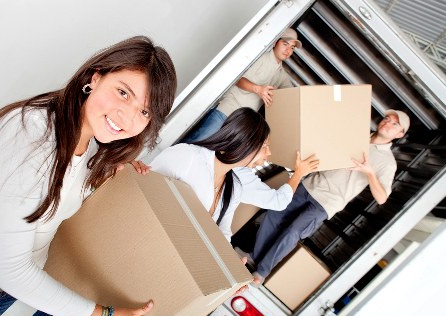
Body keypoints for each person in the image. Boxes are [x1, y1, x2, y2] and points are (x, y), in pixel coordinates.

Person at [0, 36, 177, 316]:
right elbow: (10, 270)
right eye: (123, 93)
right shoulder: (33, 138)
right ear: (95, 77)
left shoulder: (86, 143)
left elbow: (57, 194)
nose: (127, 116)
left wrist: (110, 174)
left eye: (144, 111)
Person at [237, 109, 411, 287]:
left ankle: (262, 271)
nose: (387, 123)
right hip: (309, 184)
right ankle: (254, 256)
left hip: (327, 202)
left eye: (394, 123)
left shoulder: (388, 162)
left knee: (292, 231)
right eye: (387, 118)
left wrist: (370, 172)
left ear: (400, 134)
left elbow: (382, 198)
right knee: (274, 216)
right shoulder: (358, 136)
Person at [141, 107, 318, 242]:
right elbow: (141, 188)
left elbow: (223, 233)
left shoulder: (235, 186)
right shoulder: (188, 156)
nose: (269, 153)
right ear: (246, 142)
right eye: (265, 146)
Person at [181, 28, 302, 143]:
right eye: (285, 44)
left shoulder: (281, 75)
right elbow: (238, 79)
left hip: (239, 122)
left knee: (206, 151)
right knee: (199, 141)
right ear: (276, 42)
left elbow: (296, 96)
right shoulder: (261, 58)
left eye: (292, 48)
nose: (288, 51)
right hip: (226, 110)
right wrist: (259, 89)